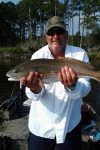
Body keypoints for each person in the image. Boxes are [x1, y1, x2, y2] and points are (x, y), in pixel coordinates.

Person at [21, 16, 91, 150]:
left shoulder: (80, 54)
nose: (55, 36)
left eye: (60, 31)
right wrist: (35, 89)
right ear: (46, 36)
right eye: (51, 32)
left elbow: (86, 87)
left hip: (70, 126)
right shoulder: (36, 56)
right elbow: (32, 94)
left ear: (66, 35)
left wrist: (72, 86)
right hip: (41, 128)